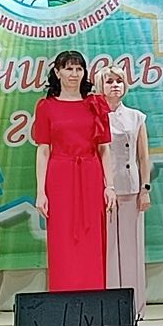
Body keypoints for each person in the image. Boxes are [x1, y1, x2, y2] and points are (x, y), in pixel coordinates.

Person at [32, 50, 116, 291]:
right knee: (62, 238)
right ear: (57, 72)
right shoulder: (46, 106)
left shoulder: (95, 104)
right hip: (60, 176)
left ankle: (93, 295)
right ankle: (63, 295)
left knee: (92, 237)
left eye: (79, 69)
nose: (74, 74)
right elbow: (43, 150)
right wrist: (41, 191)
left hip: (90, 174)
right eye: (68, 68)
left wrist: (109, 186)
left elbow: (104, 148)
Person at [95, 65, 151, 320]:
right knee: (107, 249)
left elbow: (143, 156)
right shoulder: (95, 116)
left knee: (131, 248)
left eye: (119, 81)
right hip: (104, 189)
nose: (115, 85)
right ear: (100, 86)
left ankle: (133, 306)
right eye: (109, 81)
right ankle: (108, 305)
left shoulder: (136, 117)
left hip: (131, 187)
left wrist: (145, 189)